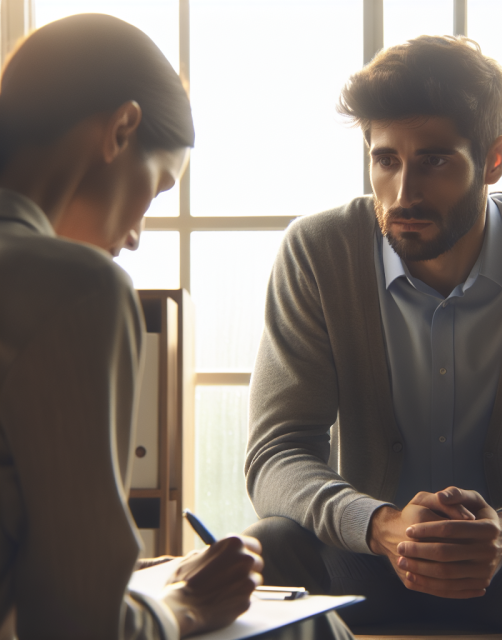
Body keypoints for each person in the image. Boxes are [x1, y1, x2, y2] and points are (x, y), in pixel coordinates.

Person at [244, 35, 502, 634]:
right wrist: (379, 524)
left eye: (434, 160)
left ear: (494, 160)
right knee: (266, 550)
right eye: (386, 160)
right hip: (365, 563)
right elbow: (278, 451)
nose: (404, 193)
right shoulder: (318, 252)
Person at [0, 14, 353, 640]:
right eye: (157, 188)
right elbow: (80, 626)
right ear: (121, 129)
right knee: (306, 630)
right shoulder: (74, 287)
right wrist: (186, 604)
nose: (135, 237)